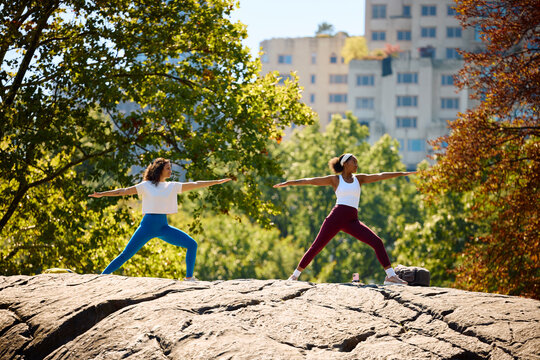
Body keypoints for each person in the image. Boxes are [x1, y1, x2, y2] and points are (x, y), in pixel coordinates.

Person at [273, 153, 416, 285]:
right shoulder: (335, 179)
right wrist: (288, 183)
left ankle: (390, 276)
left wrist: (403, 173)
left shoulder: (359, 179)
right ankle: (294, 276)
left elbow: (380, 175)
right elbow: (310, 181)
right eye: (354, 162)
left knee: (377, 242)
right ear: (345, 163)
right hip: (336, 218)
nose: (356, 165)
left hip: (352, 220)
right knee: (316, 246)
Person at [89, 158, 231, 281]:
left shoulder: (172, 186)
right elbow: (124, 191)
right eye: (168, 168)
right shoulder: (146, 186)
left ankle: (189, 278)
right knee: (126, 255)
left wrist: (217, 181)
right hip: (147, 227)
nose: (170, 170)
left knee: (192, 244)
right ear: (159, 170)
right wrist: (102, 194)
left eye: (170, 168)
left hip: (163, 227)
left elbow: (195, 184)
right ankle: (101, 277)